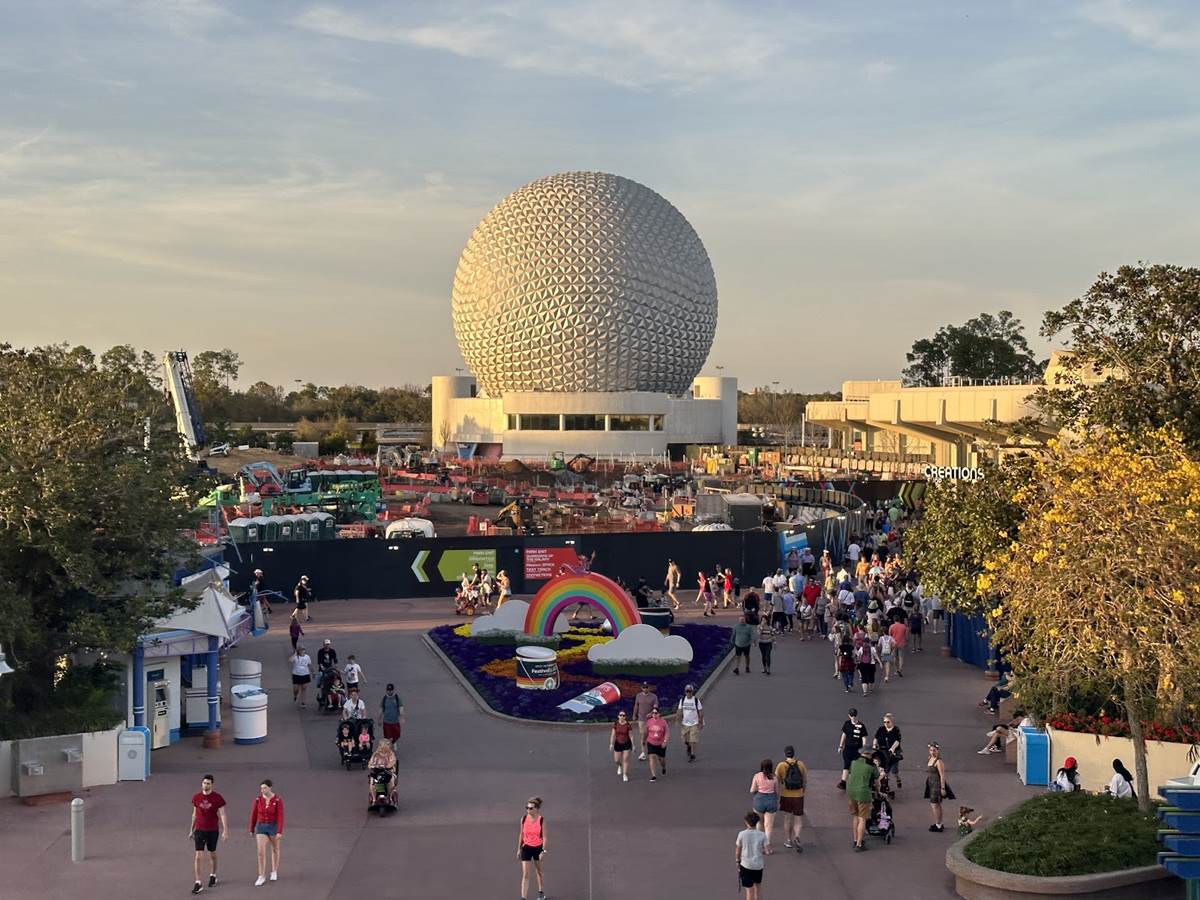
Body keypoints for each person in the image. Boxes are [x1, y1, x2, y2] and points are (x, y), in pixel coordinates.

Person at [189, 774, 228, 894]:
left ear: (212, 785)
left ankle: (213, 875)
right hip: (199, 830)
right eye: (204, 783)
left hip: (212, 830)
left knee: (212, 854)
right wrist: (191, 829)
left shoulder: (217, 798)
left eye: (208, 783)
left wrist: (225, 830)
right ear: (202, 784)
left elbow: (222, 814)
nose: (206, 785)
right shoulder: (196, 797)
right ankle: (198, 882)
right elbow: (194, 814)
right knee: (198, 856)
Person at [248, 779, 283, 886]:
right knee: (260, 852)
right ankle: (261, 875)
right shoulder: (258, 800)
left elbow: (280, 816)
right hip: (261, 827)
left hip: (273, 827)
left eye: (265, 788)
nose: (262, 790)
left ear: (270, 788)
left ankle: (274, 871)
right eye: (261, 788)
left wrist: (279, 831)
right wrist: (251, 828)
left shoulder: (277, 800)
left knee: (275, 849)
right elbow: (254, 814)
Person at [775, 747, 807, 852]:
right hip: (798, 795)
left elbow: (777, 781)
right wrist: (803, 791)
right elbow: (804, 780)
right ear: (794, 753)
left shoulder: (781, 765)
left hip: (786, 795)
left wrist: (778, 793)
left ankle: (788, 840)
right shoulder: (801, 764)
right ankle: (797, 836)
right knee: (798, 818)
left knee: (787, 818)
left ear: (785, 754)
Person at [848, 747, 878, 851]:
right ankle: (859, 845)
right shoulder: (871, 766)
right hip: (863, 793)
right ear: (869, 754)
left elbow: (850, 775)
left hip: (851, 792)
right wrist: (878, 791)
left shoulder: (853, 762)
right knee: (862, 818)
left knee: (855, 816)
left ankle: (855, 839)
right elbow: (877, 782)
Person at [518, 796, 548, 900]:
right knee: (525, 874)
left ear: (536, 809)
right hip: (526, 848)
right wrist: (519, 849)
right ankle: (523, 897)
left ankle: (541, 892)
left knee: (539, 871)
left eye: (531, 808)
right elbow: (521, 834)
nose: (528, 810)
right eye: (527, 808)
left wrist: (543, 851)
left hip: (537, 849)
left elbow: (545, 837)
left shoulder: (541, 820)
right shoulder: (523, 819)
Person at [734, 810, 767, 900]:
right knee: (758, 888)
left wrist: (737, 861)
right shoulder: (762, 835)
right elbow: (767, 850)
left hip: (746, 865)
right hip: (758, 865)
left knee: (749, 890)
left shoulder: (742, 834)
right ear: (757, 822)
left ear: (746, 822)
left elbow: (738, 850)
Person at [750, 758, 779, 853]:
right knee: (768, 826)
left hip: (759, 800)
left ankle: (759, 844)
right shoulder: (774, 777)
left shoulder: (757, 776)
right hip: (771, 800)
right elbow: (777, 792)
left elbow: (752, 790)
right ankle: (767, 845)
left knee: (759, 823)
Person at [925, 742, 955, 832]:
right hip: (931, 784)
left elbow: (942, 776)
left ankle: (938, 825)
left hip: (936, 785)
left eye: (934, 750)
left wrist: (942, 788)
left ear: (937, 750)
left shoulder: (939, 761)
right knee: (936, 805)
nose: (932, 752)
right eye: (931, 750)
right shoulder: (930, 758)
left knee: (935, 805)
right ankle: (939, 823)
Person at [838, 708, 869, 790]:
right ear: (849, 716)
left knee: (855, 766)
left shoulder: (862, 726)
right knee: (846, 764)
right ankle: (843, 782)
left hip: (857, 750)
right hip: (848, 749)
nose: (853, 717)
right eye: (852, 715)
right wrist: (841, 746)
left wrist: (864, 749)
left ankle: (855, 782)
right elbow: (844, 735)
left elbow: (864, 738)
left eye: (854, 715)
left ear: (857, 715)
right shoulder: (847, 724)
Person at [874, 713, 903, 789]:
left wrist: (892, 748)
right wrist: (874, 745)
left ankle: (897, 778)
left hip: (893, 752)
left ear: (892, 722)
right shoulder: (881, 729)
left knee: (894, 770)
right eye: (884, 722)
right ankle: (885, 785)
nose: (886, 724)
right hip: (882, 751)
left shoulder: (896, 730)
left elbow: (897, 741)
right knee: (885, 770)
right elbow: (876, 738)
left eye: (888, 722)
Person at [631, 682, 658, 761]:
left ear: (649, 688)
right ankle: (643, 753)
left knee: (651, 736)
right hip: (641, 719)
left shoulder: (654, 696)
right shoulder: (638, 696)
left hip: (651, 720)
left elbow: (656, 707)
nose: (645, 689)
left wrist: (651, 713)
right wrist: (634, 715)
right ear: (641, 688)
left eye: (646, 687)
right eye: (644, 687)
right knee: (643, 736)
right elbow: (636, 706)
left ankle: (653, 750)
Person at [367, 738, 398, 806]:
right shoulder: (376, 754)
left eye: (388, 745)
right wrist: (372, 766)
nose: (388, 747)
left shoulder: (391, 754)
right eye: (386, 745)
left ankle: (390, 798)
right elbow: (370, 763)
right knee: (372, 782)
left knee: (391, 782)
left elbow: (392, 762)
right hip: (377, 772)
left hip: (388, 772)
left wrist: (386, 766)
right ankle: (374, 799)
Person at [678, 684, 704, 762]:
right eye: (687, 691)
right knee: (685, 739)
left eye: (690, 691)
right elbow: (679, 710)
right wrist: (677, 719)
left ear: (692, 692)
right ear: (685, 692)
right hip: (685, 723)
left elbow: (700, 711)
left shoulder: (696, 700)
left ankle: (692, 755)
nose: (688, 693)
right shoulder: (682, 700)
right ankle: (688, 746)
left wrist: (701, 721)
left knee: (693, 739)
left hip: (694, 723)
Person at [645, 706, 669, 781]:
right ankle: (653, 775)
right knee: (651, 757)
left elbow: (667, 733)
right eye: (653, 713)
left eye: (656, 713)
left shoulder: (663, 722)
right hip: (651, 742)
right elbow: (646, 732)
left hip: (660, 743)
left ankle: (663, 767)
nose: (654, 714)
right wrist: (643, 740)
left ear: (659, 714)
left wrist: (665, 741)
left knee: (661, 759)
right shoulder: (649, 722)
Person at [611, 710, 633, 782]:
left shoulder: (628, 725)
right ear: (618, 716)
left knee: (625, 760)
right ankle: (620, 765)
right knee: (616, 760)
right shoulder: (616, 724)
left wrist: (633, 745)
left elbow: (631, 735)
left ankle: (625, 774)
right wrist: (611, 744)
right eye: (621, 715)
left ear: (625, 717)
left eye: (623, 715)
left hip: (626, 743)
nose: (622, 717)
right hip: (618, 743)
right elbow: (613, 735)